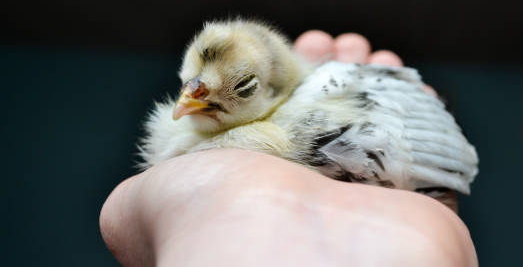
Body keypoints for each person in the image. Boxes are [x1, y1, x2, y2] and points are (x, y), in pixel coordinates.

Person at [99, 30, 478, 266]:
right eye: (190, 85)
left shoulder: (313, 128)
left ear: (275, 88)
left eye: (242, 87)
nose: (189, 101)